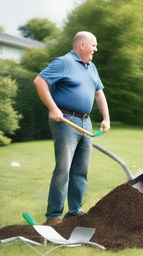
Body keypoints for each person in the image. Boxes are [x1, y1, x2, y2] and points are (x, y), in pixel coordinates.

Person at [34, 31, 110, 226]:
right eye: (93, 45)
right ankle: (53, 216)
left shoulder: (91, 67)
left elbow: (99, 93)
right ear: (82, 45)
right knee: (63, 169)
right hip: (66, 121)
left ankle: (75, 212)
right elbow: (40, 81)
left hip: (86, 122)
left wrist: (106, 118)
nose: (96, 49)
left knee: (81, 170)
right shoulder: (64, 62)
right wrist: (53, 109)